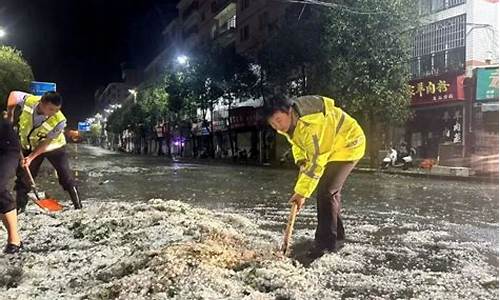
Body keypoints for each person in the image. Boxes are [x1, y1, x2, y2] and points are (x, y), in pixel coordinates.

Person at [264, 95, 366, 257]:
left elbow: (316, 162)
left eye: (278, 119)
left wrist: (301, 193)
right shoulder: (289, 123)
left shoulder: (312, 123)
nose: (277, 126)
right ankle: (337, 237)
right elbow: (298, 142)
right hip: (331, 147)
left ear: (289, 111)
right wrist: (301, 159)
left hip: (348, 144)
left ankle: (326, 245)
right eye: (272, 123)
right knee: (330, 192)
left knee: (326, 192)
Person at [6, 91, 82, 212]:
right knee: (24, 176)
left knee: (65, 175)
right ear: (41, 103)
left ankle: (78, 206)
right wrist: (10, 114)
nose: (54, 113)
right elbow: (14, 95)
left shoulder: (60, 121)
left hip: (53, 146)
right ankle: (20, 207)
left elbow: (46, 143)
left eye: (57, 110)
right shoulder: (30, 101)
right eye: (51, 109)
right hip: (30, 144)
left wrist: (31, 158)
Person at [0, 112, 22, 253]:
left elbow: (14, 96)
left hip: (7, 147)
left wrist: (11, 111)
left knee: (0, 188)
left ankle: (15, 240)